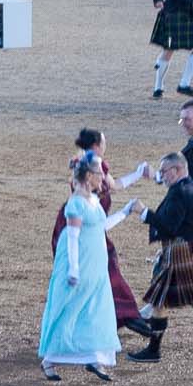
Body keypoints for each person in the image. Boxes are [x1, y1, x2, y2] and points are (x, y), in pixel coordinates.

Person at [39, 151, 140, 381]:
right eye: (100, 174)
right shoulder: (75, 203)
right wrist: (73, 270)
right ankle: (50, 360)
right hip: (80, 263)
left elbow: (102, 225)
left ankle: (95, 358)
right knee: (71, 307)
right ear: (88, 176)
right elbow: (72, 238)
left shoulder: (93, 200)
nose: (103, 178)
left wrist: (125, 212)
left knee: (95, 309)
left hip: (95, 263)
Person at [58, 128, 159, 349]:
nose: (106, 144)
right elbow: (101, 210)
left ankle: (116, 318)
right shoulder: (89, 167)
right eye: (103, 142)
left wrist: (139, 173)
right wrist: (125, 212)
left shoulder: (91, 163)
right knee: (105, 271)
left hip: (89, 228)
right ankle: (126, 316)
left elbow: (114, 186)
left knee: (102, 273)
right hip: (84, 229)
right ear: (95, 145)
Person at [127, 151, 193, 360]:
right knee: (160, 302)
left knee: (159, 301)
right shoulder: (186, 187)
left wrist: (144, 212)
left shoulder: (180, 192)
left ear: (177, 170)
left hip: (180, 252)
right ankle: (153, 348)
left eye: (164, 171)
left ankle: (154, 350)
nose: (161, 175)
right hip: (179, 249)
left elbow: (169, 226)